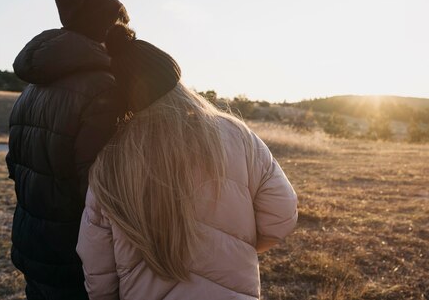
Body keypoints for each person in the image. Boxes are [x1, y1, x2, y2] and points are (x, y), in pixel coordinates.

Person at [76, 24, 298, 300]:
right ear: (177, 81)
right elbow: (281, 215)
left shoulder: (109, 161)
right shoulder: (237, 135)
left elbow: (97, 265)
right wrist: (238, 247)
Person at [6, 0, 130, 300]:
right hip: (74, 247)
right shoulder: (103, 88)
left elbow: (14, 163)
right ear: (105, 30)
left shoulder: (33, 87)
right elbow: (97, 186)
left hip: (31, 236)